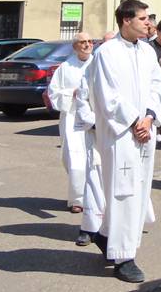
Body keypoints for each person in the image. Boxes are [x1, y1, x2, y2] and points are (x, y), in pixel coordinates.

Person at [85, 0, 161, 283]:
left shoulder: (147, 51)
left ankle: (107, 235)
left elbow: (159, 85)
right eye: (143, 18)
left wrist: (149, 117)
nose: (149, 23)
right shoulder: (106, 53)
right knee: (123, 192)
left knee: (139, 190)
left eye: (149, 18)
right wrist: (134, 120)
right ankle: (123, 257)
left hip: (144, 132)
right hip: (120, 134)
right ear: (126, 20)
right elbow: (108, 95)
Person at [47, 33, 94, 214]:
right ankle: (78, 199)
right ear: (75, 46)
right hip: (73, 118)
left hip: (94, 117)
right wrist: (71, 93)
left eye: (90, 42)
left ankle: (96, 197)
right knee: (74, 160)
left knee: (96, 160)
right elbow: (54, 93)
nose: (87, 45)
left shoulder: (98, 63)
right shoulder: (65, 68)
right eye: (83, 42)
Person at [73, 70, 105, 246]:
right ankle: (90, 228)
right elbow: (82, 102)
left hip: (121, 137)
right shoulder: (89, 74)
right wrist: (98, 123)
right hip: (97, 135)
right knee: (93, 179)